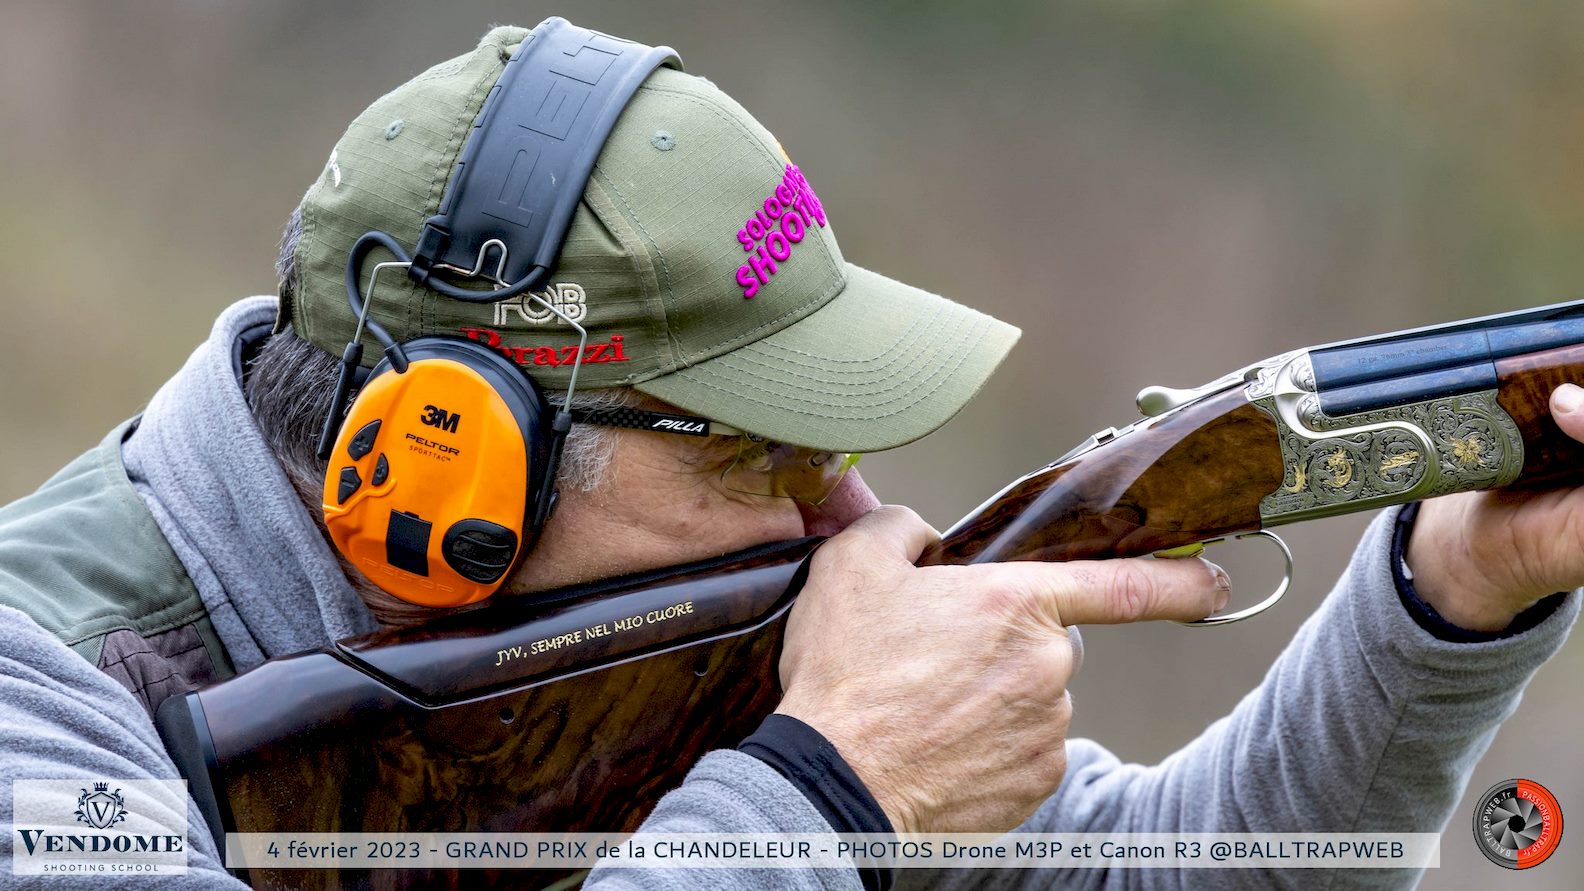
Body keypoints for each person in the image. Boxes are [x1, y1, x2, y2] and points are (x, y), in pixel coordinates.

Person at [0, 20, 1578, 891]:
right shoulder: (36, 705)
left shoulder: (680, 682)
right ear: (448, 470)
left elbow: (1179, 879)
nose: (856, 524)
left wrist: (1454, 598)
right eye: (762, 460)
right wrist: (822, 797)